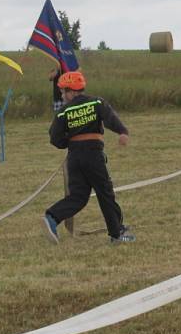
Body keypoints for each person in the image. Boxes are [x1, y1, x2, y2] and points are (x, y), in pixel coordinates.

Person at [42, 71, 135, 245]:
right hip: (93, 155)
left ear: (71, 91)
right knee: (105, 192)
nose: (62, 96)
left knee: (78, 196)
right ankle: (117, 233)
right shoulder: (96, 102)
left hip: (74, 158)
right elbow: (110, 119)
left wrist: (68, 143)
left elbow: (55, 138)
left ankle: (52, 217)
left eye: (63, 92)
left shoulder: (63, 112)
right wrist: (122, 132)